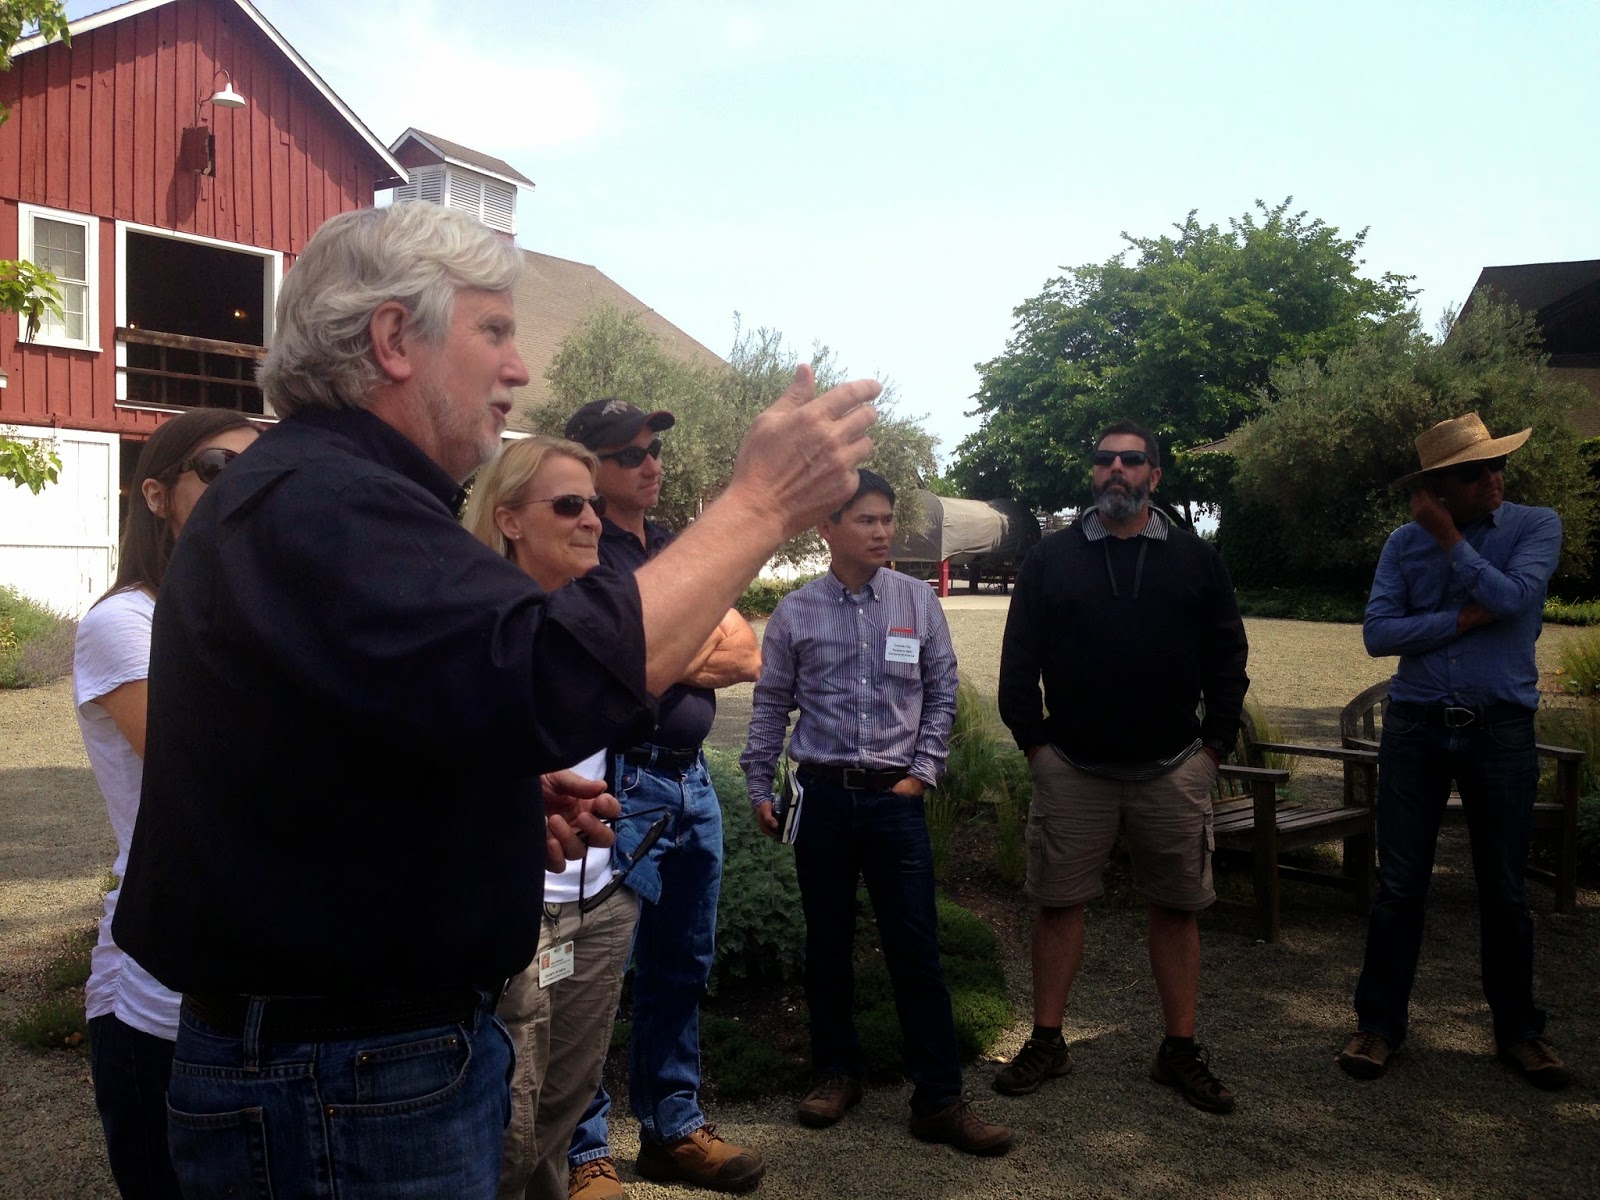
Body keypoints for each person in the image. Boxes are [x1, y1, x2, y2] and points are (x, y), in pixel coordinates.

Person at [111, 201, 880, 1199]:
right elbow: (548, 679)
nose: (518, 369)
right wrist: (761, 504)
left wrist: (490, 797)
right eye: (494, 330)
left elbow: (355, 732)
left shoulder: (324, 493)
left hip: (347, 1068)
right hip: (344, 1080)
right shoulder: (327, 500)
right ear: (394, 339)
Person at [741, 470, 1015, 1156]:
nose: (882, 531)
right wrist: (758, 786)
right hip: (823, 800)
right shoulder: (797, 612)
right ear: (827, 528)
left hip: (895, 803)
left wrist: (921, 774)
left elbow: (942, 689)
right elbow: (771, 704)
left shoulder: (917, 602)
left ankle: (940, 1100)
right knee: (827, 944)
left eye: (887, 519)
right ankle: (836, 1073)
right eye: (866, 519)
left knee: (915, 948)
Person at [995, 419, 1249, 1115]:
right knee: (1058, 904)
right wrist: (1037, 748)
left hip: (1173, 767)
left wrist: (1213, 750)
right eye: (1104, 459)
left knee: (1177, 907)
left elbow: (1228, 658)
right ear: (1094, 471)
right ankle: (1048, 1041)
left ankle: (1179, 1050)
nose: (1116, 469)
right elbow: (1019, 662)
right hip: (1073, 767)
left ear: (1154, 475)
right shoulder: (1051, 559)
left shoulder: (1197, 559)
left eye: (1131, 460)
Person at [562, 399, 765, 1198]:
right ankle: (582, 1151)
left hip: (691, 777)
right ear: (589, 467)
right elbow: (612, 655)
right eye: (629, 454)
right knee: (593, 973)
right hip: (623, 780)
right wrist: (667, 643)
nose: (650, 463)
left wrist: (655, 649)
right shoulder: (582, 547)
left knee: (681, 963)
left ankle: (672, 1130)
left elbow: (746, 652)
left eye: (654, 450)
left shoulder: (676, 548)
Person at [1339, 413, 1569, 1090]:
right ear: (1437, 487)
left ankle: (1520, 1032)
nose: (1492, 478)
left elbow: (1514, 597)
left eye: (1498, 465)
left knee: (1504, 888)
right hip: (1415, 728)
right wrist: (1463, 618)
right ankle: (1378, 1026)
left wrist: (1449, 542)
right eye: (1473, 472)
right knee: (1399, 886)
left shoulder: (1536, 527)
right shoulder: (1401, 543)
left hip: (1500, 730)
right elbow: (1378, 635)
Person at [73, 408, 258, 1200]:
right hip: (159, 986)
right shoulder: (125, 623)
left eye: (262, 471)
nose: (244, 488)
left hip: (258, 975)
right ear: (155, 494)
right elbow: (217, 771)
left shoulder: (249, 616)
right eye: (218, 469)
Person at [465, 435, 645, 1200]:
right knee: (508, 1120)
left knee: (565, 1109)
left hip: (601, 895)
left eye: (594, 504)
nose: (593, 520)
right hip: (522, 909)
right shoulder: (478, 625)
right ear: (508, 519)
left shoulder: (587, 612)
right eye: (569, 505)